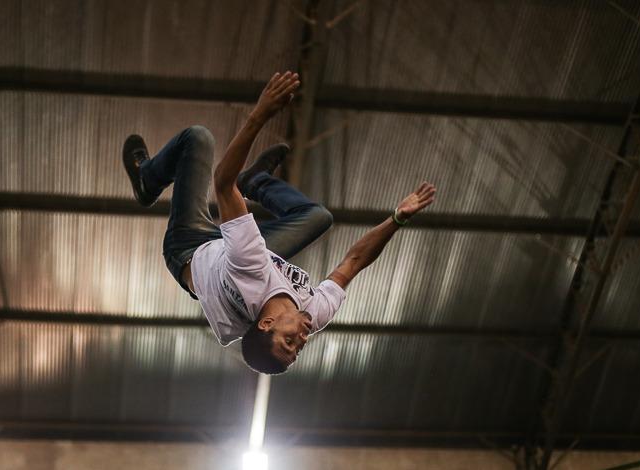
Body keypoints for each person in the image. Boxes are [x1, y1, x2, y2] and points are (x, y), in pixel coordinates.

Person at [122, 71, 436, 374]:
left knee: (198, 138)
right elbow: (353, 262)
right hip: (234, 256)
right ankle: (256, 180)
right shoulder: (312, 311)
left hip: (189, 247)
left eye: (290, 341)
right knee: (318, 217)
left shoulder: (251, 270)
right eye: (298, 349)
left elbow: (222, 182)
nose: (302, 340)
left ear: (267, 323)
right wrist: (396, 218)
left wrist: (260, 114)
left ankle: (147, 181)